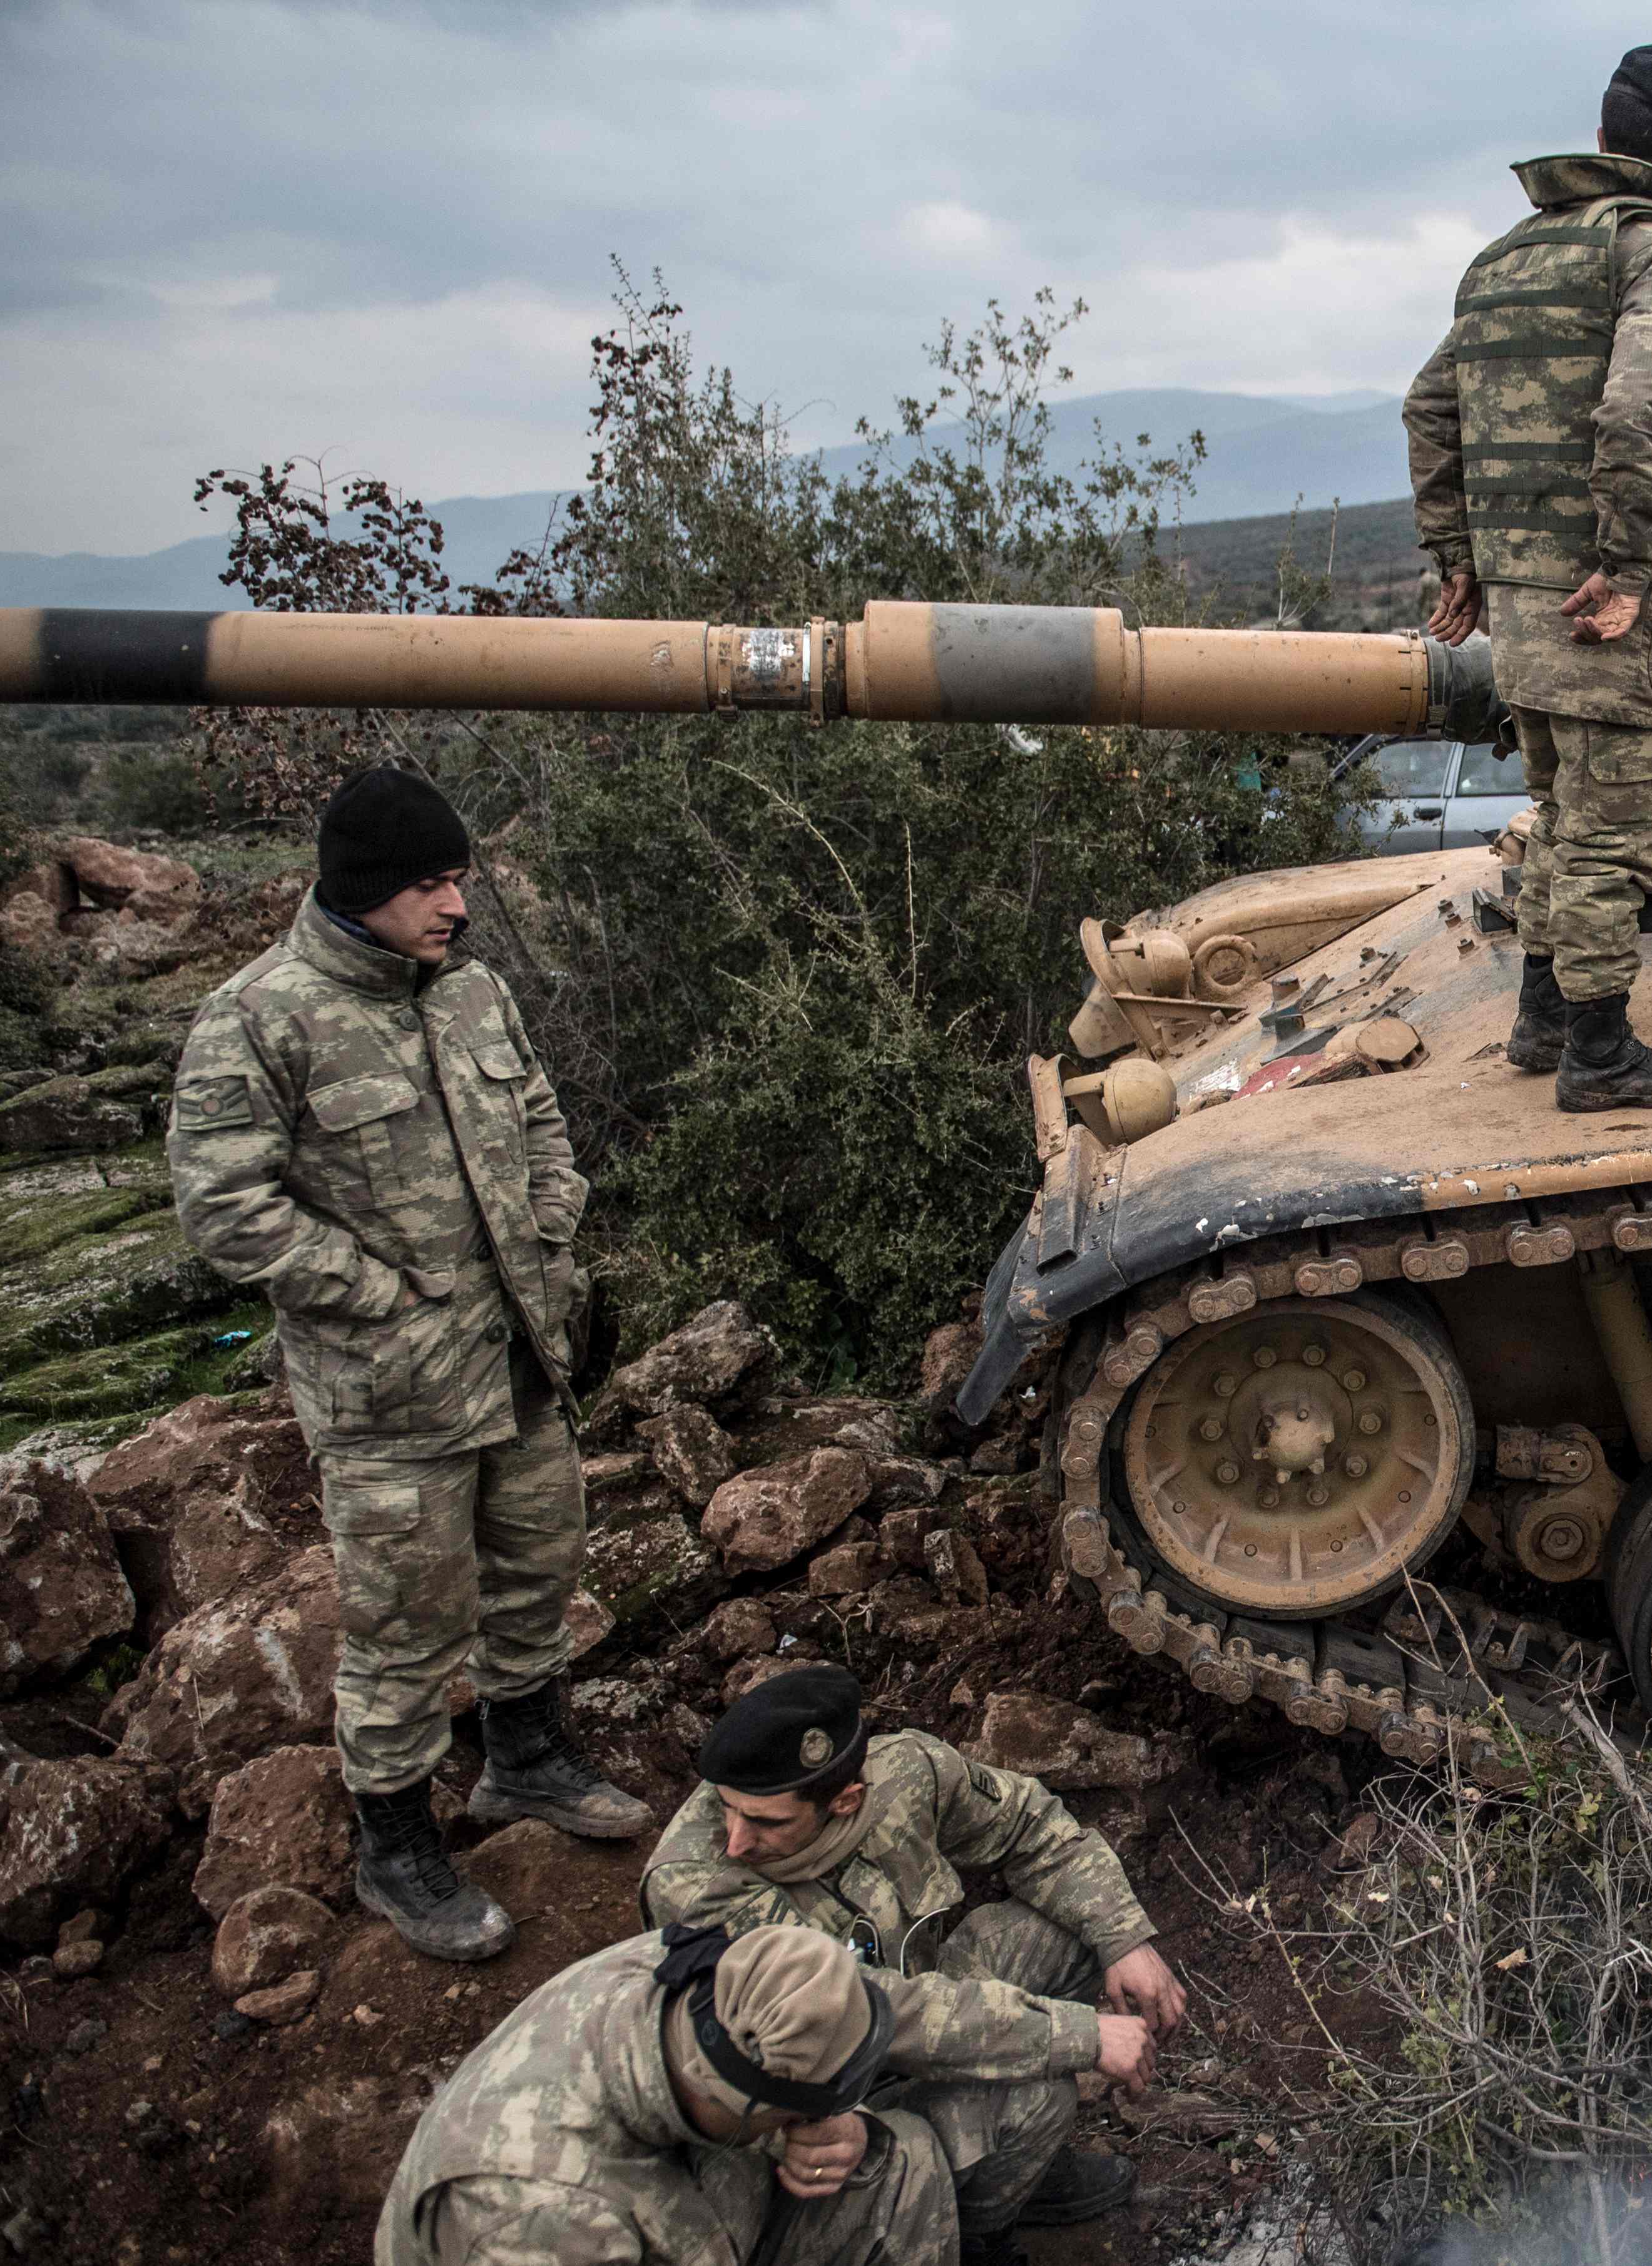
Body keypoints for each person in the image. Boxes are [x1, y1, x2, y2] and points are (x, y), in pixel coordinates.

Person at [171, 766, 644, 1964]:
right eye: (432, 884)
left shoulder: (473, 992)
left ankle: (525, 1761)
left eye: (460, 878)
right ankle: (396, 1850)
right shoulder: (259, 1018)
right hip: (389, 1399)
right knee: (404, 1625)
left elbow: (539, 1116)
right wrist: (374, 1293)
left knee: (539, 1564)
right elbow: (225, 1209)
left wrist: (553, 1216)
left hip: (518, 1358)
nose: (457, 907)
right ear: (364, 889)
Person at [1402, 44, 1652, 1115]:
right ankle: (1601, 1053)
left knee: (1556, 813)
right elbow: (1639, 407)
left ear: (1599, 142)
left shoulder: (1498, 264)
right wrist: (1631, 567)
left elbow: (1429, 408)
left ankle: (1544, 1019)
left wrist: (1458, 561)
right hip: (1607, 615)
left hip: (1527, 620)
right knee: (1614, 836)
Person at [641, 1666, 1180, 2260]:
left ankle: (1019, 2171)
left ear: (847, 1798)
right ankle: (973, 2232)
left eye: (766, 1822)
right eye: (726, 1808)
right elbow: (870, 2012)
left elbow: (1031, 1827)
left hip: (917, 1999)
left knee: (1076, 1930)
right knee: (1039, 2096)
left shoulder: (907, 1770)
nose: (736, 1838)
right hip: (821, 2095)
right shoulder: (697, 1884)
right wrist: (1076, 2034)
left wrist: (1123, 1938)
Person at [375, 1919, 953, 2266]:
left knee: (901, 2158)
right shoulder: (539, 2215)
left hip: (705, 2207)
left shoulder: (696, 1974)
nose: (820, 2118)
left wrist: (835, 2131)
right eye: (811, 2109)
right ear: (752, 2110)